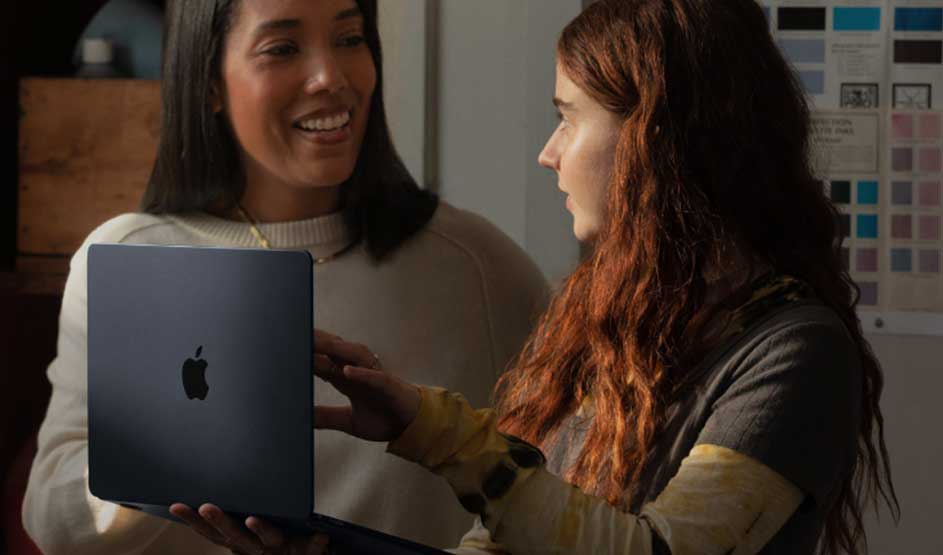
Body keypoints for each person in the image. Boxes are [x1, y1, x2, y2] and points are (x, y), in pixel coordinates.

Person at [176, 0, 904, 554]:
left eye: (569, 118)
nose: (548, 153)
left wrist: (438, 434)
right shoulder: (605, 316)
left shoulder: (795, 350)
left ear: (657, 140)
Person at [21, 0, 549, 554]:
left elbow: (571, 490)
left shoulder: (477, 265)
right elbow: (56, 523)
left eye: (350, 38)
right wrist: (183, 443)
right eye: (283, 48)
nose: (330, 77)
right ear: (209, 84)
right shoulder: (125, 258)